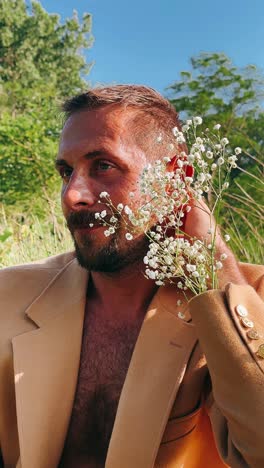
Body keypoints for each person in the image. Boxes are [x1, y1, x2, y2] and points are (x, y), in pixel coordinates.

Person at [0, 85, 264, 468]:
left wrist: (215, 268)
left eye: (102, 166)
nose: (73, 194)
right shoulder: (9, 293)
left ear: (175, 180)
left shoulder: (249, 296)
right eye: (66, 171)